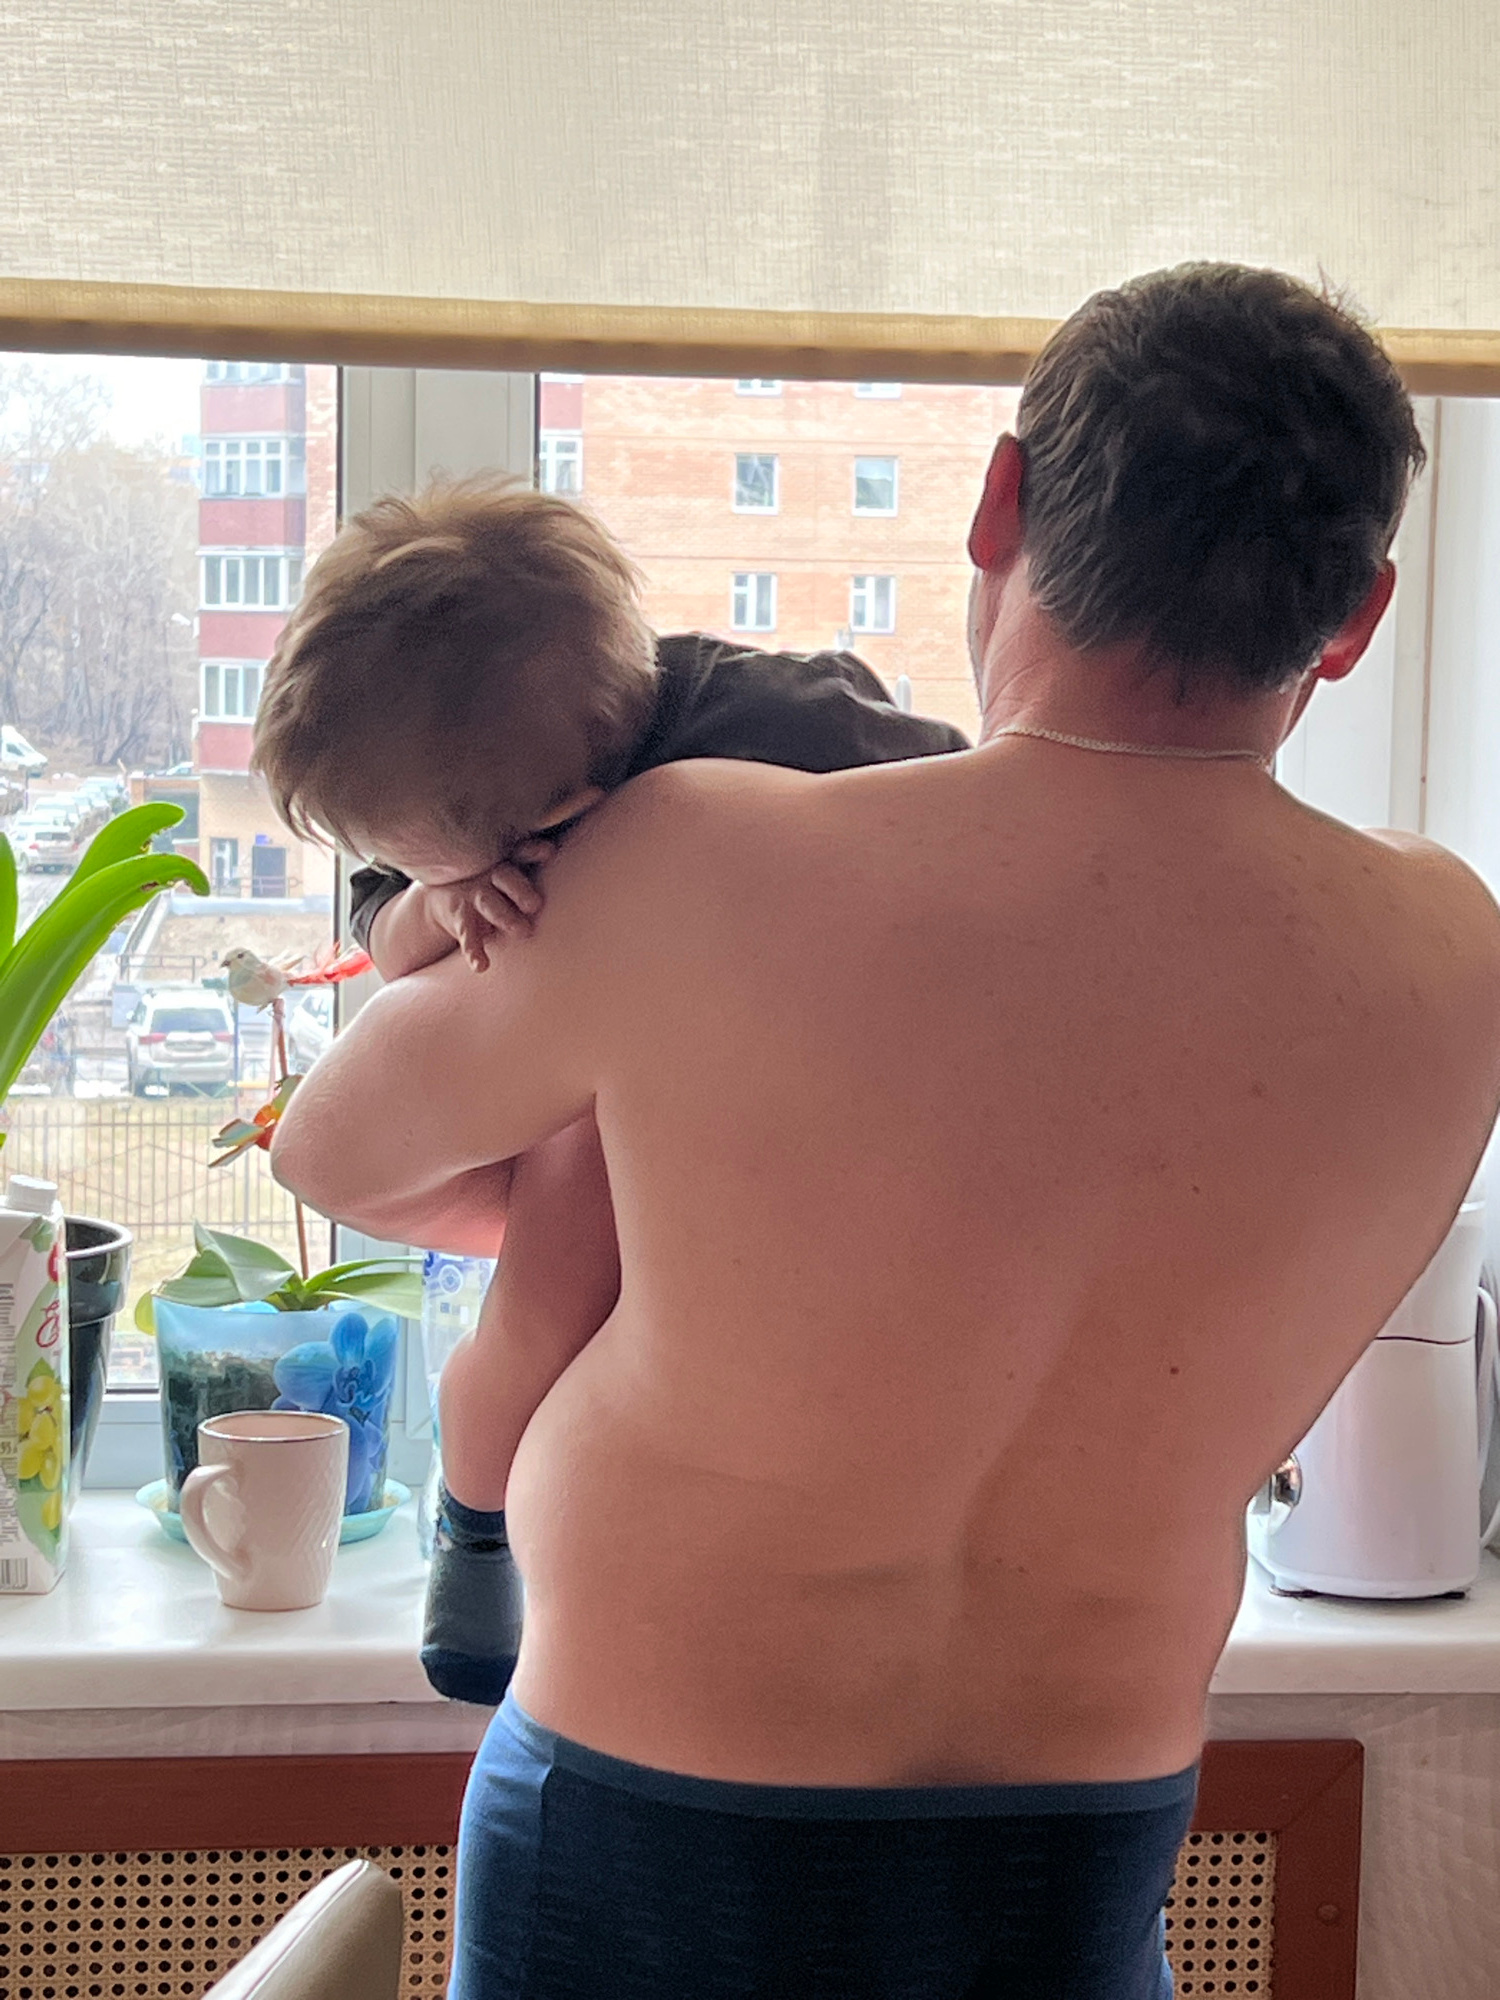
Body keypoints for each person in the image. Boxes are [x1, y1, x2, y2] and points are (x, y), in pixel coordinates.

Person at [271, 263, 1500, 2000]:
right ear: (1358, 615)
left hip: (645, 1825)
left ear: (999, 504)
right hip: (1076, 1862)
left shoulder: (706, 861)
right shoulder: (1453, 961)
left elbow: (333, 1150)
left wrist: (669, 1173)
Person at [251, 479, 968, 1702]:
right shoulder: (473, 817)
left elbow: (969, 804)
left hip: (828, 1100)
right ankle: (477, 1519)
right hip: (617, 1095)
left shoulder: (792, 719)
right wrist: (441, 901)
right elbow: (391, 939)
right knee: (537, 1312)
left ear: (568, 819)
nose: (405, 878)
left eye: (431, 862)